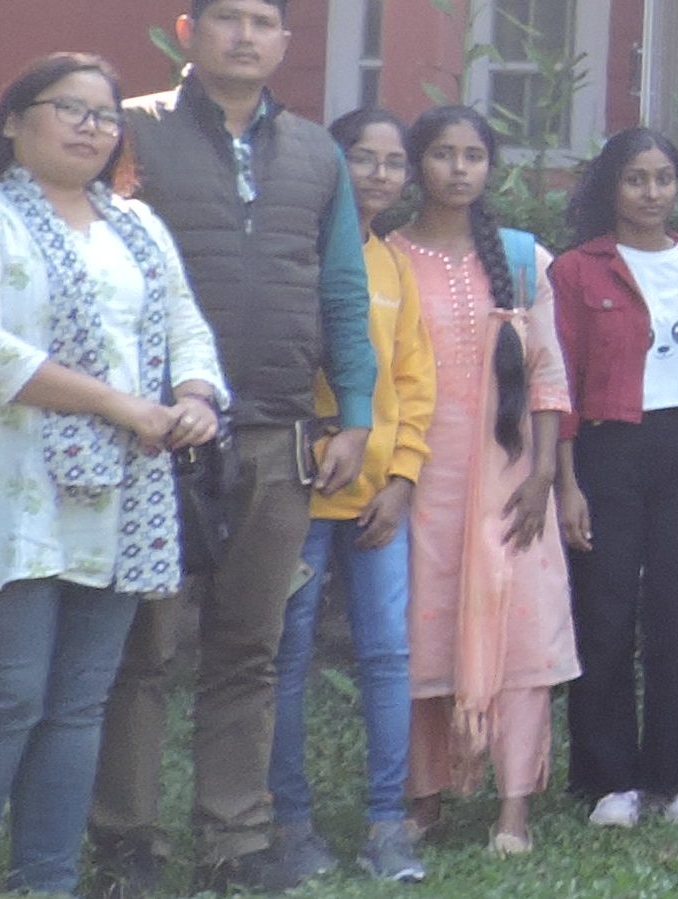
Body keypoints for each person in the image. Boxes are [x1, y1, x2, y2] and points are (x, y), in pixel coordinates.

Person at [96, 0, 378, 897]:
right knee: (139, 649)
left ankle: (236, 839)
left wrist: (356, 413)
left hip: (276, 431)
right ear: (189, 30)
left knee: (249, 649)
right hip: (150, 434)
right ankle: (125, 843)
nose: (246, 36)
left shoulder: (316, 153)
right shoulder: (127, 130)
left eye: (264, 22)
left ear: (285, 42)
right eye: (228, 18)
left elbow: (342, 290)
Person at [0, 54, 226, 894]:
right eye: (71, 108)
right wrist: (118, 404)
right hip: (3, 495)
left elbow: (186, 325)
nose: (92, 127)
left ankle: (46, 880)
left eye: (105, 114)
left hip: (120, 497)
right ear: (14, 121)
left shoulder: (138, 226)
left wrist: (195, 396)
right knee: (5, 697)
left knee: (79, 703)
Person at [383, 107, 574, 857]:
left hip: (510, 477)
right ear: (416, 164)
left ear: (491, 167)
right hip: (421, 478)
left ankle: (513, 809)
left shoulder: (525, 261)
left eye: (473, 155)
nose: (459, 169)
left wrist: (544, 473)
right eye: (442, 153)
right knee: (421, 632)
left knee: (521, 632)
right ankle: (423, 799)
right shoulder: (389, 259)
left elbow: (548, 374)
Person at [263, 110, 436, 881]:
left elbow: (414, 381)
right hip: (298, 490)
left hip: (378, 502)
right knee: (286, 654)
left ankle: (386, 823)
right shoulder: (293, 254)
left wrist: (402, 478)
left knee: (388, 654)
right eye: (362, 157)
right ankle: (290, 822)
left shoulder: (393, 263)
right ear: (330, 163)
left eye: (393, 162)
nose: (378, 174)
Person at [544, 128, 678, 832]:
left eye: (663, 177)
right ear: (611, 186)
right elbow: (558, 381)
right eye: (636, 178)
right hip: (605, 448)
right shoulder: (577, 270)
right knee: (605, 612)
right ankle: (608, 778)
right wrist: (566, 483)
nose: (651, 192)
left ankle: (672, 777)